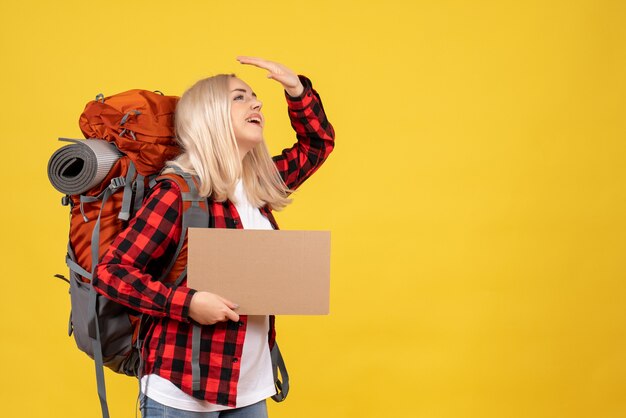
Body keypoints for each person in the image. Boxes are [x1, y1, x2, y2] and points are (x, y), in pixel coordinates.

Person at [92, 56, 335, 418]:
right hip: (181, 390)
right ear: (209, 115)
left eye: (255, 96)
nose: (257, 103)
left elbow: (318, 144)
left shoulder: (259, 187)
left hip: (248, 388)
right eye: (240, 97)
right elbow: (111, 272)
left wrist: (296, 91)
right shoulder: (179, 192)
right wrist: (187, 303)